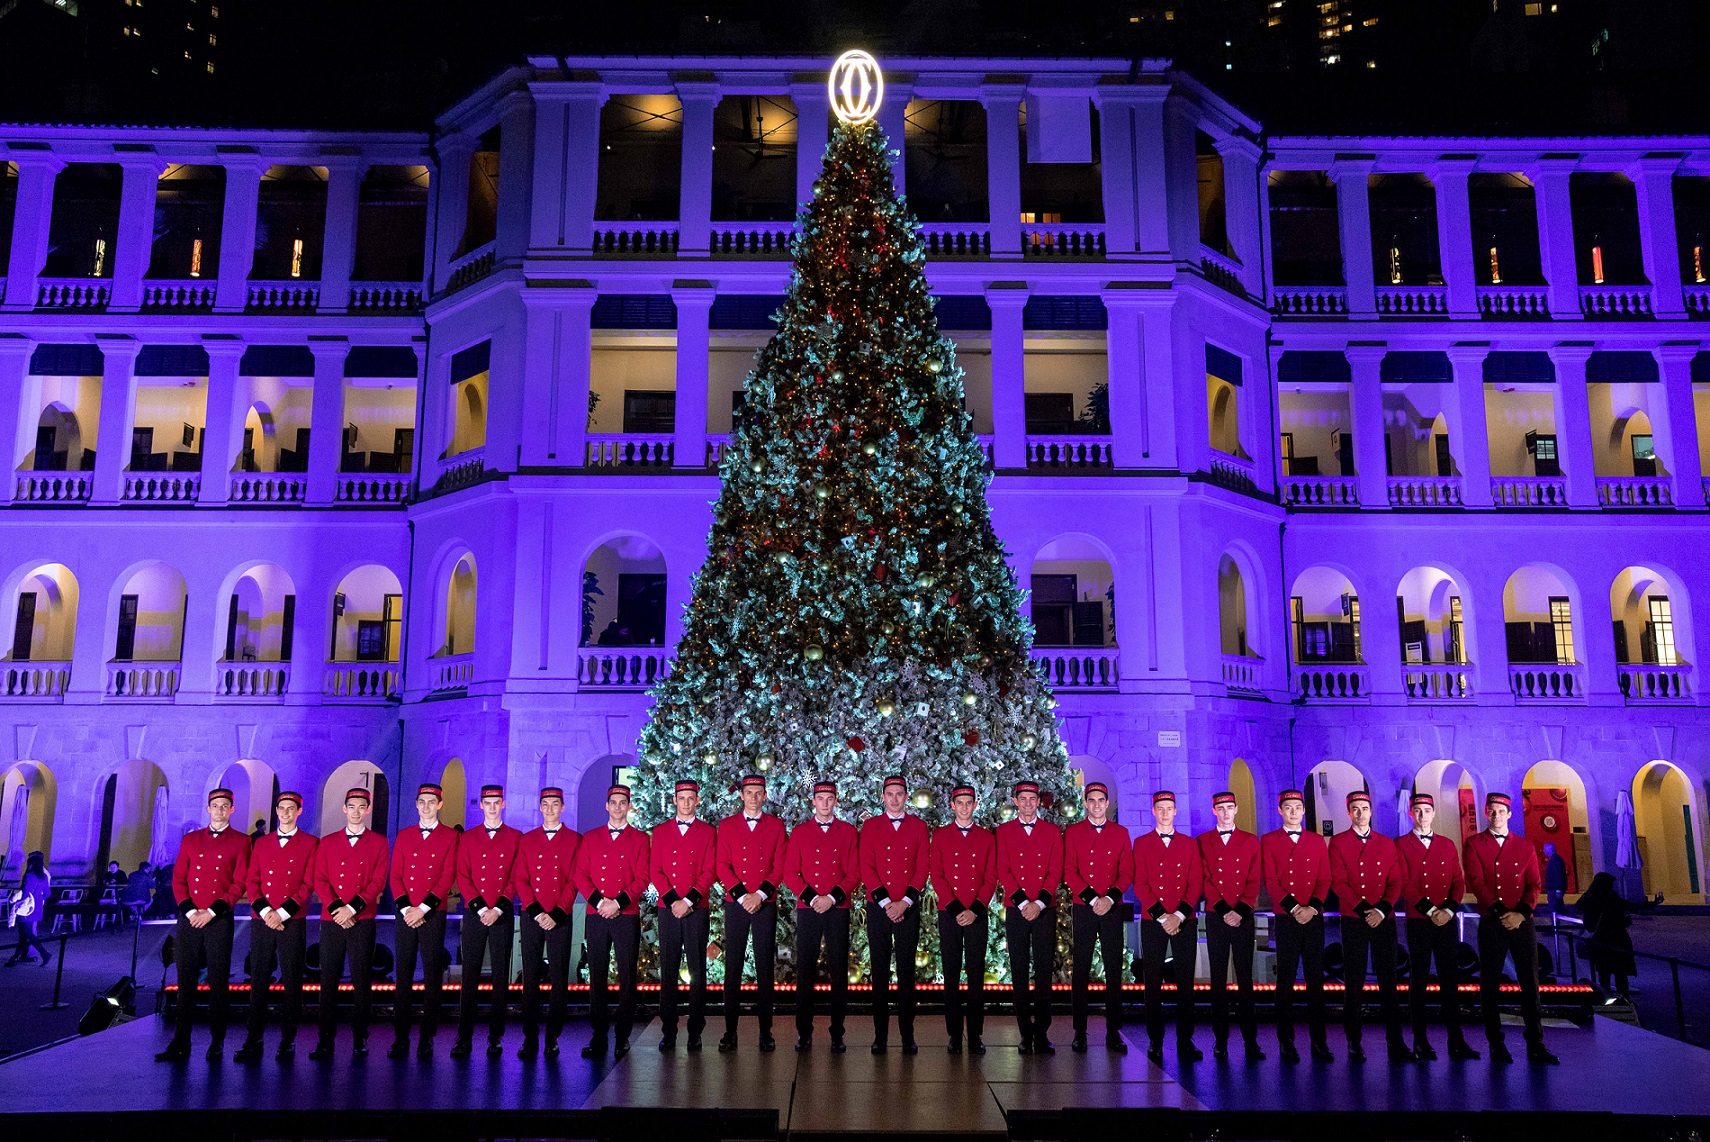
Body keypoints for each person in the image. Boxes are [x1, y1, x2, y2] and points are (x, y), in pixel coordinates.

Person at [1463, 791, 1558, 1065]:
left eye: (1501, 811)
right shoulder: (1474, 844)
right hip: (1494, 920)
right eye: (1491, 811)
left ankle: (1536, 1042)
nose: (1496, 815)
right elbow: (1476, 882)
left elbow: (1534, 885)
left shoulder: (1525, 846)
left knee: (1530, 981)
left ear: (1509, 814)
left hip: (1522, 921)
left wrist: (1522, 914)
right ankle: (1495, 1042)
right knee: (1490, 983)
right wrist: (1504, 913)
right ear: (1485, 813)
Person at [156, 788, 250, 1062]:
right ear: (208, 809)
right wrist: (189, 910)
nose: (220, 810)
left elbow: (239, 883)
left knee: (218, 982)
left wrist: (211, 912)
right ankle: (180, 1042)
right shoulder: (191, 840)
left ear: (232, 810)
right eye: (215, 805)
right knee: (185, 981)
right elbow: (178, 879)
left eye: (225, 806)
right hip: (189, 920)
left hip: (218, 919)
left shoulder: (242, 841)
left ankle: (216, 1042)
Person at [1328, 790, 1412, 1062]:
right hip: (1354, 919)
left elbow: (1395, 881)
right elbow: (1339, 882)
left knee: (1390, 981)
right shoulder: (1338, 843)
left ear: (1370, 811)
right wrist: (1366, 911)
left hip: (1384, 919)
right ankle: (1354, 1040)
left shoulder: (1387, 844)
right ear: (1348, 812)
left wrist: (1382, 909)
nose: (1360, 813)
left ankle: (1396, 1041)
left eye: (1364, 808)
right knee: (1354, 981)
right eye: (1355, 808)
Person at [1394, 792, 1479, 1061]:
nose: (1421, 815)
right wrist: (1431, 910)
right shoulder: (1400, 844)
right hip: (1420, 921)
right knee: (1418, 982)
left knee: (1450, 982)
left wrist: (1450, 909)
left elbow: (1458, 880)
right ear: (1411, 813)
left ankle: (1457, 1040)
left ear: (1433, 814)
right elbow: (1404, 883)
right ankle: (1420, 1041)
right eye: (1416, 811)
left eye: (1426, 811)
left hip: (1446, 921)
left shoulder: (1447, 844)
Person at [234, 790, 317, 1063]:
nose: (285, 813)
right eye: (281, 808)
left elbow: (308, 883)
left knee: (292, 980)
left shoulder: (310, 843)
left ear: (299, 811)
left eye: (291, 808)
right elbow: (252, 881)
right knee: (258, 980)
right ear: (276, 810)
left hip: (292, 920)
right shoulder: (262, 843)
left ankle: (287, 1040)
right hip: (262, 919)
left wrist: (283, 913)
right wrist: (267, 911)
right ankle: (253, 1038)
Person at [309, 787, 389, 1060]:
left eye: (361, 807)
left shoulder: (379, 842)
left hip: (362, 917)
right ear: (344, 809)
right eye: (351, 806)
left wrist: (351, 908)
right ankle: (324, 1040)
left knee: (361, 980)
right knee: (327, 980)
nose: (356, 811)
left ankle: (360, 1038)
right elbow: (320, 878)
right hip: (332, 919)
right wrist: (336, 909)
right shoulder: (328, 842)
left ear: (367, 810)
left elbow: (378, 881)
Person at [573, 783, 649, 1058]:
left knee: (627, 976)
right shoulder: (591, 838)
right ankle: (598, 1034)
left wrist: (617, 903)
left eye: (622, 802)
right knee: (597, 975)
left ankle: (623, 1036)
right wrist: (599, 902)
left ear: (629, 806)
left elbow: (642, 877)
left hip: (625, 914)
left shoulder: (641, 839)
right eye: (613, 802)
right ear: (606, 806)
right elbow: (580, 874)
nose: (618, 807)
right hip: (596, 914)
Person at [716, 773, 789, 1053]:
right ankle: (730, 1031)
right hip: (736, 904)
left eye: (759, 793)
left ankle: (765, 1032)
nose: (754, 797)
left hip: (764, 903)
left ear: (765, 796)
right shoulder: (727, 825)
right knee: (732, 967)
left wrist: (758, 895)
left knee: (764, 968)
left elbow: (779, 866)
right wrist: (741, 896)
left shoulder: (776, 826)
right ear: (742, 795)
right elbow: (722, 865)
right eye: (749, 793)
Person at [785, 780, 859, 1053]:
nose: (825, 803)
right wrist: (813, 898)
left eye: (830, 798)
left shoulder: (849, 832)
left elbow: (855, 872)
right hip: (809, 908)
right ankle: (804, 1033)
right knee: (805, 970)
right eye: (821, 799)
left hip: (837, 907)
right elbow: (790, 872)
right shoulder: (800, 832)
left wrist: (832, 897)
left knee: (839, 971)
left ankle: (837, 1033)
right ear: (812, 801)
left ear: (836, 800)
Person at [859, 774, 930, 1054]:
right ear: (883, 797)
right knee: (878, 973)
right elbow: (866, 866)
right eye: (890, 793)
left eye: (900, 793)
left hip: (907, 908)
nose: (895, 798)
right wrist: (888, 903)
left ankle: (907, 1035)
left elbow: (922, 867)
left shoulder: (919, 826)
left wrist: (905, 903)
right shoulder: (871, 826)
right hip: (879, 908)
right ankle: (880, 1035)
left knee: (906, 973)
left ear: (906, 796)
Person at [388, 782, 460, 1058]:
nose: (427, 806)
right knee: (402, 975)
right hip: (406, 913)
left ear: (440, 804)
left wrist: (423, 909)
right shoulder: (404, 836)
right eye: (422, 801)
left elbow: (447, 876)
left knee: (432, 976)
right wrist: (408, 908)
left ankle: (427, 1037)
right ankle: (400, 1037)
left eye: (432, 801)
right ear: (416, 805)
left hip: (433, 912)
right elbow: (396, 876)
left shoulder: (450, 837)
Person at [1261, 788, 1333, 1063]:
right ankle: (1286, 1042)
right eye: (1288, 807)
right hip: (1287, 918)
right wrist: (1295, 909)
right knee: (1285, 982)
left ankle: (1319, 1042)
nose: (1293, 811)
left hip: (1313, 919)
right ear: (1280, 810)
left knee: (1316, 982)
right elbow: (1272, 881)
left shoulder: (1317, 841)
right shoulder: (1269, 841)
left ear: (1304, 811)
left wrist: (1312, 907)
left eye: (1297, 807)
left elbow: (1324, 879)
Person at [452, 784, 522, 1058]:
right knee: (469, 976)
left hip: (502, 913)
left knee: (500, 977)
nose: (492, 807)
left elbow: (516, 876)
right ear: (480, 805)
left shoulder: (515, 837)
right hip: (475, 912)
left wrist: (498, 907)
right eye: (487, 803)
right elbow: (463, 875)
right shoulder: (468, 838)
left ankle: (496, 1037)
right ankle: (464, 1037)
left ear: (503, 804)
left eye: (496, 802)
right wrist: (482, 908)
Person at [1064, 781, 1134, 1054]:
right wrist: (1094, 899)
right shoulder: (1073, 832)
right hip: (1084, 907)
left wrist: (1109, 898)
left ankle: (1113, 1032)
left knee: (1113, 969)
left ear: (1107, 804)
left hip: (1112, 906)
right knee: (1080, 969)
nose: (1095, 805)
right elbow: (1070, 870)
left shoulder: (1120, 832)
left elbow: (1126, 870)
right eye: (1091, 800)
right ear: (1085, 803)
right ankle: (1079, 1032)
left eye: (1100, 800)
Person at [1133, 789, 1202, 1062]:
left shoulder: (1189, 844)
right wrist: (1164, 916)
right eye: (1159, 808)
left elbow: (1195, 883)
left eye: (1168, 808)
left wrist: (1178, 916)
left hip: (1184, 920)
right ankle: (1155, 1040)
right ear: (1154, 811)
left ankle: (1186, 1039)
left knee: (1185, 982)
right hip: (1154, 921)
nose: (1164, 812)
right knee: (1153, 982)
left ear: (1175, 811)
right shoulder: (1141, 843)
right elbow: (1140, 883)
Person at [995, 779, 1063, 1054]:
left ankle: (1042, 1032)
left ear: (1038, 802)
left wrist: (1040, 903)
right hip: (1017, 909)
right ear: (1015, 801)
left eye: (1031, 799)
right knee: (1019, 971)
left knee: (1044, 971)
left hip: (1045, 909)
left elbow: (1055, 870)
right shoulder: (1003, 832)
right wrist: (1024, 903)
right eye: (1022, 798)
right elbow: (1003, 869)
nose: (1026, 803)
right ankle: (1025, 1032)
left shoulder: (1052, 831)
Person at [651, 779, 718, 1051]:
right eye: (682, 798)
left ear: (697, 800)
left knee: (697, 972)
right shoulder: (661, 831)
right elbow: (656, 870)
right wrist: (672, 901)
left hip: (696, 908)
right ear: (675, 800)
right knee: (668, 971)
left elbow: (710, 870)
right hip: (669, 910)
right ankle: (668, 1031)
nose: (687, 802)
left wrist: (688, 900)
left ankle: (695, 1031)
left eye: (691, 798)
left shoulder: (708, 832)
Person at [514, 785, 580, 1059]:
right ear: (540, 808)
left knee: (558, 978)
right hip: (533, 916)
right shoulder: (527, 840)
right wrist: (537, 910)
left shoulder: (575, 839)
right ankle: (530, 1038)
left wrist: (556, 912)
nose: (550, 809)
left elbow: (574, 878)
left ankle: (552, 1037)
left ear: (562, 807)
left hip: (560, 916)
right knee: (530, 978)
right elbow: (520, 878)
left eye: (555, 804)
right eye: (546, 804)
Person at [929, 785, 996, 1055]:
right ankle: (954, 1034)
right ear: (952, 805)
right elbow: (937, 874)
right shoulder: (941, 835)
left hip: (977, 914)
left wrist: (975, 909)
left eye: (969, 802)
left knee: (977, 976)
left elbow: (991, 876)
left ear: (975, 805)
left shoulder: (987, 837)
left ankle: (976, 1034)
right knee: (952, 975)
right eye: (960, 803)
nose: (965, 807)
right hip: (950, 913)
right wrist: (957, 909)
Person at [1197, 791, 1263, 1060]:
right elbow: (1205, 878)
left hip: (1244, 915)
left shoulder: (1250, 841)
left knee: (1246, 978)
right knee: (1217, 980)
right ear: (1214, 811)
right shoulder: (1202, 841)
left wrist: (1241, 910)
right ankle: (1220, 1040)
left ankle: (1251, 1041)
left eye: (1229, 808)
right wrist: (1225, 910)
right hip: (1217, 915)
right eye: (1220, 808)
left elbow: (1254, 877)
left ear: (1236, 809)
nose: (1225, 812)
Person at [1576, 871, 1649, 1000]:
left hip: (1601, 940)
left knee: (1604, 974)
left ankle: (1606, 999)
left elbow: (1579, 908)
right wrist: (1649, 905)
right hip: (1616, 939)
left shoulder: (1589, 898)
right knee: (1620, 974)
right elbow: (1628, 907)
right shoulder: (1610, 898)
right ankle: (1623, 1000)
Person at [5, 851, 52, 967]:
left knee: (27, 934)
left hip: (27, 908)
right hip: (37, 907)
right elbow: (47, 894)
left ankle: (44, 953)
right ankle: (14, 958)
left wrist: (15, 900)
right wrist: (38, 898)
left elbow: (26, 893)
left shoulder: (30, 875)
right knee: (25, 934)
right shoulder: (44, 876)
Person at [1542, 843, 1569, 913]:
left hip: (1554, 889)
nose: (1543, 851)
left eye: (1545, 849)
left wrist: (1558, 889)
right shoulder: (1556, 859)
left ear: (1549, 849)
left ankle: (1555, 923)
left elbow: (1557, 875)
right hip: (1554, 889)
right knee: (1556, 907)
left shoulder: (1554, 860)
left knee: (1554, 908)